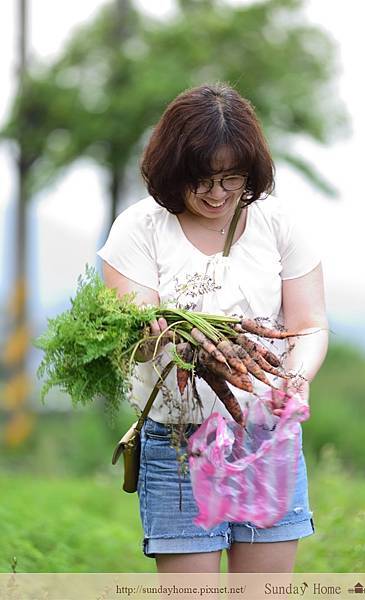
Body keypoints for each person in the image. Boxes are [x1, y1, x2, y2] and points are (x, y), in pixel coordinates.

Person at [97, 83, 328, 573]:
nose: (218, 193)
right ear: (172, 171)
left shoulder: (279, 224)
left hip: (267, 435)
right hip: (178, 442)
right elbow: (138, 333)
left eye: (231, 178)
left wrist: (294, 378)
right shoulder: (139, 230)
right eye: (201, 179)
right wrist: (164, 334)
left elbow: (309, 325)